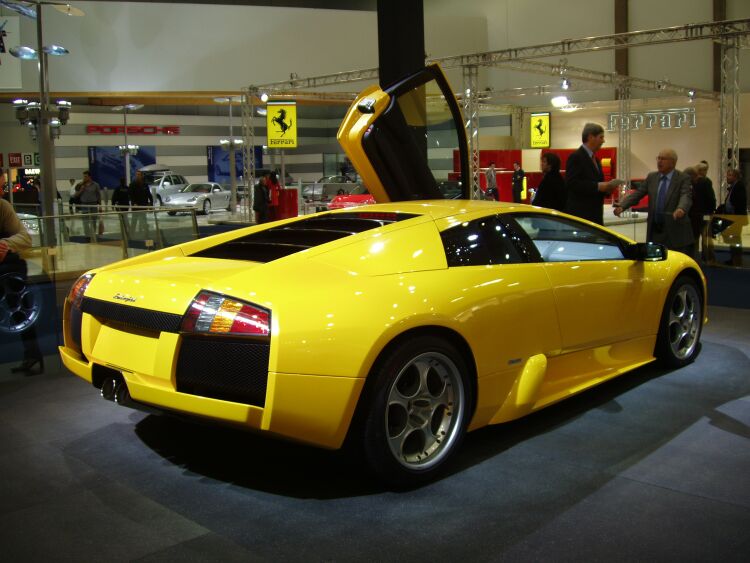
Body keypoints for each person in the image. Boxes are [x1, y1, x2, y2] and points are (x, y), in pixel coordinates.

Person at [614, 149, 694, 255]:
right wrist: (623, 206)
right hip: (655, 230)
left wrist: (681, 209)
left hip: (675, 232)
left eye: (663, 159)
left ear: (673, 162)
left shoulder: (683, 178)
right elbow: (638, 193)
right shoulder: (652, 177)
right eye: (658, 158)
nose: (659, 161)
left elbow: (686, 196)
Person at [1, 195, 43, 375]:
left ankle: (33, 354)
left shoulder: (2, 206)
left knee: (19, 310)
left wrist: (4, 244)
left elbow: (25, 238)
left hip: (7, 271)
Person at [565, 122, 623, 225]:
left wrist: (607, 189)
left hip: (595, 216)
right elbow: (571, 183)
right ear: (591, 137)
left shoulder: (596, 159)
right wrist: (598, 186)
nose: (603, 141)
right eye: (601, 137)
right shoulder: (576, 157)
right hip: (581, 216)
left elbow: (596, 185)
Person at [686, 164, 716, 261]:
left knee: (694, 238)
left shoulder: (690, 183)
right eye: (705, 170)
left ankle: (693, 258)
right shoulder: (706, 182)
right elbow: (711, 198)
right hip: (705, 214)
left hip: (693, 215)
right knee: (706, 237)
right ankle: (708, 258)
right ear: (701, 171)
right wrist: (712, 211)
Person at [720, 168, 747, 267]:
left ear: (735, 176)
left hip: (736, 218)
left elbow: (739, 203)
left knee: (736, 239)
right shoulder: (733, 186)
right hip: (732, 217)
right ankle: (733, 258)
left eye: (729, 175)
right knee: (733, 239)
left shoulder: (739, 186)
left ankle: (737, 260)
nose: (727, 177)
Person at [74, 170, 102, 240]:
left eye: (86, 177)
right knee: (85, 221)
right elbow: (75, 195)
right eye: (83, 177)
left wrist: (100, 206)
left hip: (93, 204)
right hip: (84, 205)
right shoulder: (80, 185)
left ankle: (93, 235)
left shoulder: (96, 185)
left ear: (89, 177)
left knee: (93, 220)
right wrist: (81, 190)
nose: (84, 178)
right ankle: (87, 236)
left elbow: (98, 196)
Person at [128, 170, 153, 237]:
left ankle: (146, 235)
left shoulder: (145, 185)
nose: (138, 176)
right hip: (136, 207)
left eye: (139, 175)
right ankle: (131, 235)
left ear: (142, 176)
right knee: (134, 221)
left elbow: (149, 195)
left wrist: (151, 204)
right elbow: (131, 195)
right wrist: (134, 203)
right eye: (137, 175)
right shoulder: (133, 184)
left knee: (144, 221)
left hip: (143, 206)